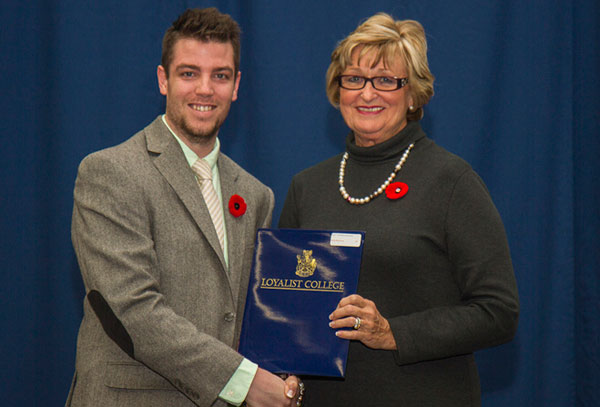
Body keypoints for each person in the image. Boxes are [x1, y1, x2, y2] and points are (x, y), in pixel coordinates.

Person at [278, 12, 519, 406]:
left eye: (386, 80)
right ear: (338, 90)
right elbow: (288, 305)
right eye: (354, 78)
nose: (367, 94)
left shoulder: (452, 181)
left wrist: (393, 332)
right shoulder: (307, 187)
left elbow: (499, 312)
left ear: (414, 93)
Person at [66, 8, 303, 407]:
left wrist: (285, 365)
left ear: (237, 85)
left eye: (220, 75)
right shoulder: (110, 172)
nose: (205, 89)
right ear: (164, 79)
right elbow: (133, 311)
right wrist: (246, 382)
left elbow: (252, 317)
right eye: (189, 73)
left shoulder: (256, 193)